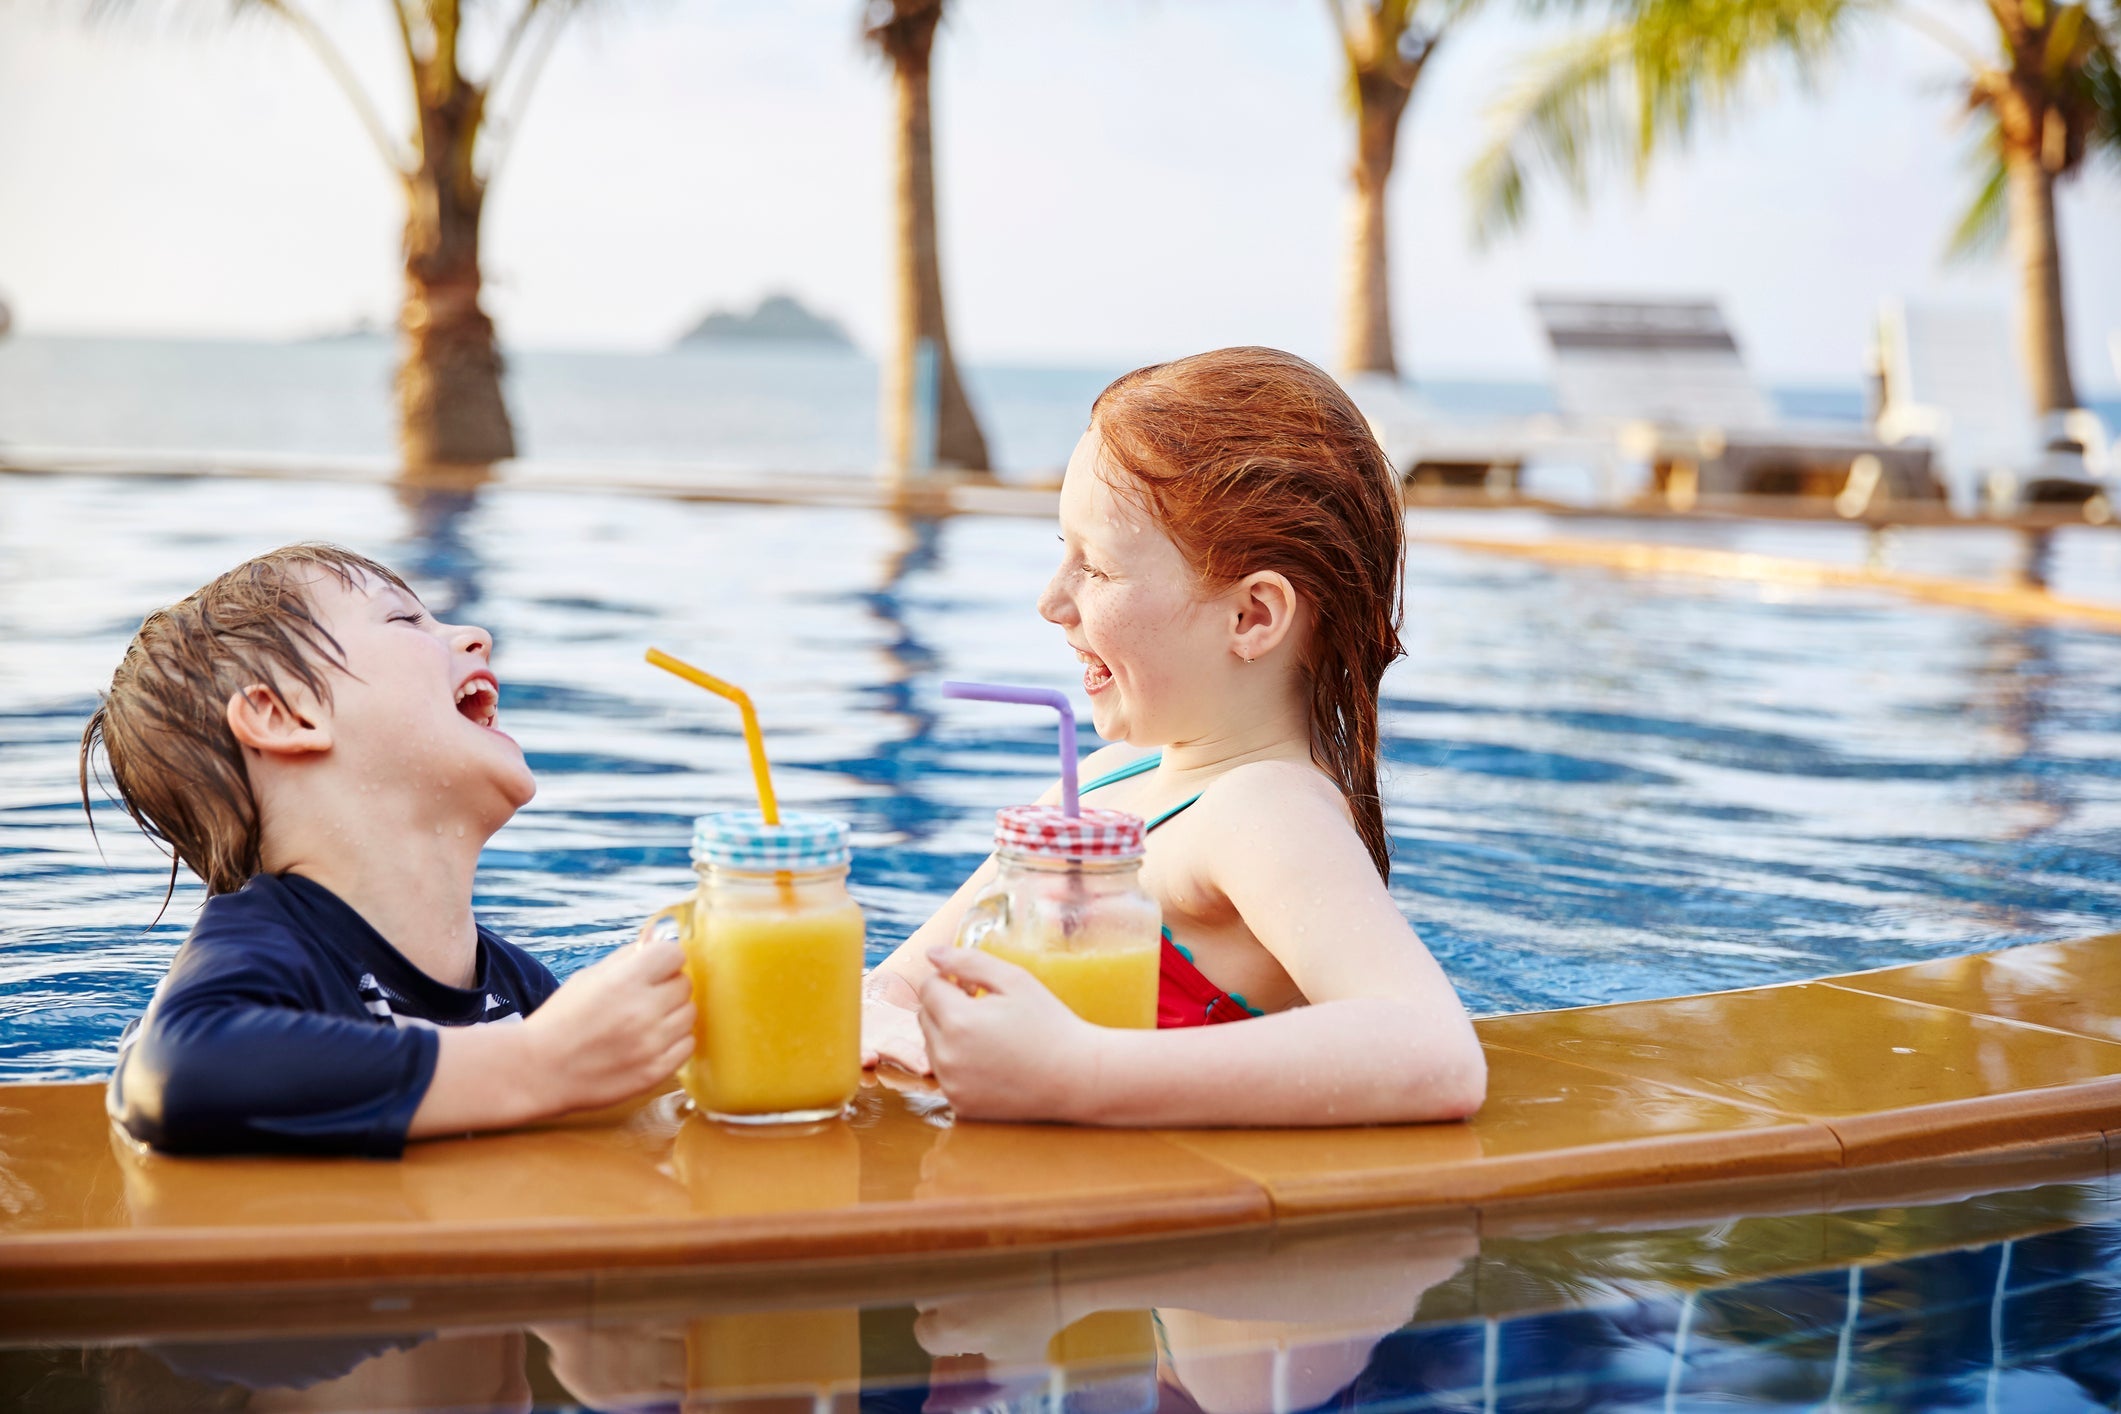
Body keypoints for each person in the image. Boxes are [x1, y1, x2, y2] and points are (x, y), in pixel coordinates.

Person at [862, 347, 1486, 1126]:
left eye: (1097, 568)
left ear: (1251, 617)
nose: (1050, 601)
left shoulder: (1264, 811)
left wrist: (1076, 1072)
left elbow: (1433, 1053)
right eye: (1065, 554)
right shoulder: (1102, 777)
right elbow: (895, 985)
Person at [84, 544, 694, 1156]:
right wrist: (539, 1062)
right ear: (284, 716)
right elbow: (180, 1077)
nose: (475, 634)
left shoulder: (516, 987)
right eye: (405, 620)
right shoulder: (267, 950)